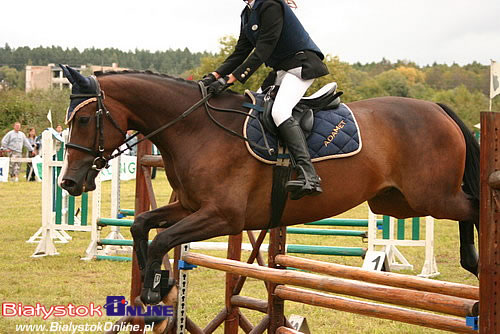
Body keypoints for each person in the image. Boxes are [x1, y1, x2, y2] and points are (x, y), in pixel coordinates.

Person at [200, 0, 329, 200]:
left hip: (300, 66)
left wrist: (231, 79)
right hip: (281, 71)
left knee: (280, 112)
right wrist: (214, 75)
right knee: (252, 109)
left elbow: (263, 49)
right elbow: (240, 52)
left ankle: (309, 174)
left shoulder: (270, 4)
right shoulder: (247, 12)